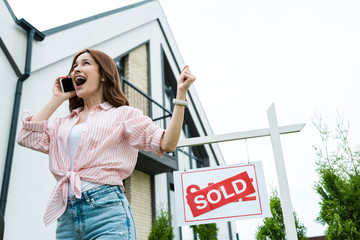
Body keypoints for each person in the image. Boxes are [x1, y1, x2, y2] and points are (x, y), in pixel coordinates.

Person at [17, 49, 196, 239]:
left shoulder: (123, 114)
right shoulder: (63, 124)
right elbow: (26, 136)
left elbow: (167, 143)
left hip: (107, 211)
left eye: (85, 63)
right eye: (75, 66)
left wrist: (180, 94)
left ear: (103, 74)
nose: (77, 69)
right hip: (66, 216)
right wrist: (56, 99)